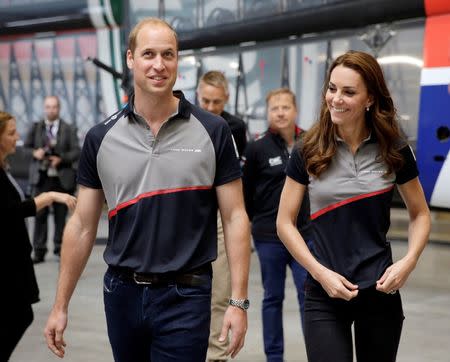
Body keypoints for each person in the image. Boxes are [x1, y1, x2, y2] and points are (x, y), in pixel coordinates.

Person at [44, 17, 251, 362]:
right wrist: (60, 305)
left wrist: (238, 302)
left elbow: (234, 217)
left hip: (187, 294)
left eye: (168, 55)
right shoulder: (100, 137)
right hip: (121, 294)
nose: (159, 65)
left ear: (177, 60)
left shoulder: (213, 131)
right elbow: (82, 225)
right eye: (149, 54)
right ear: (130, 58)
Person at [277, 50, 431, 362]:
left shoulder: (394, 148)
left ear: (370, 99)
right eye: (332, 89)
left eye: (349, 92)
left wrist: (409, 261)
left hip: (380, 291)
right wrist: (320, 273)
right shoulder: (308, 148)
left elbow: (420, 213)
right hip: (324, 293)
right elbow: (284, 222)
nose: (335, 99)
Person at [242, 88, 313, 362]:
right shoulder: (257, 147)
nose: (280, 112)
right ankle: (274, 357)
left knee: (309, 297)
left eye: (285, 107)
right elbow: (245, 194)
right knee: (272, 298)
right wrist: (253, 224)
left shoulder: (310, 141)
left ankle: (316, 352)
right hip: (269, 237)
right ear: (268, 113)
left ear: (295, 110)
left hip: (305, 235)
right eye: (274, 108)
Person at [0, 111, 76, 361]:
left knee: (21, 315)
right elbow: (11, 211)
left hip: (14, 260)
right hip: (8, 264)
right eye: (11, 133)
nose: (17, 137)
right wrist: (49, 197)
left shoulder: (4, 168)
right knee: (20, 315)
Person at [197, 70, 247, 362]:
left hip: (221, 212)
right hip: (188, 210)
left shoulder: (235, 127)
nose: (211, 107)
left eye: (217, 102)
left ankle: (215, 355)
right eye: (206, 101)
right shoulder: (185, 120)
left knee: (221, 289)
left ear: (226, 98)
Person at [24, 95, 80, 263]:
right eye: (48, 107)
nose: (51, 110)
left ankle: (60, 249)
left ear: (59, 108)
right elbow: (25, 149)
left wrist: (60, 159)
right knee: (39, 214)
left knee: (60, 216)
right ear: (44, 108)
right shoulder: (36, 127)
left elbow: (76, 151)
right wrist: (35, 153)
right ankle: (39, 251)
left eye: (54, 107)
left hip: (61, 178)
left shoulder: (69, 128)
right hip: (41, 178)